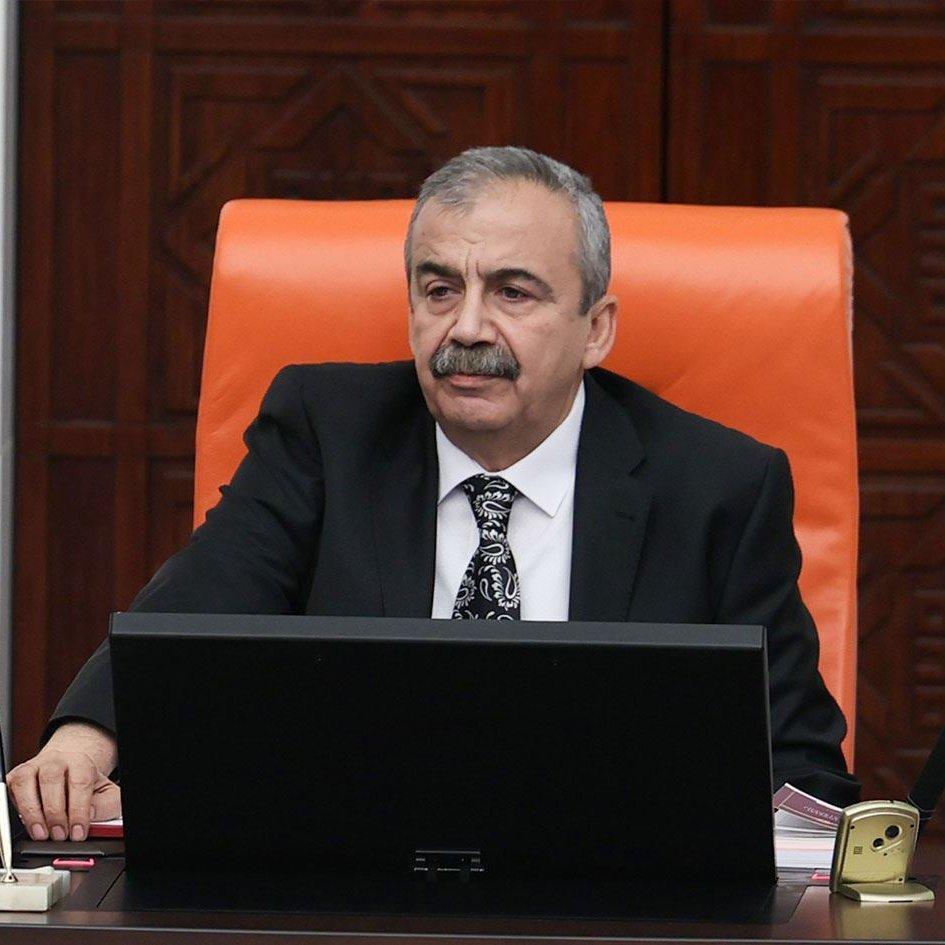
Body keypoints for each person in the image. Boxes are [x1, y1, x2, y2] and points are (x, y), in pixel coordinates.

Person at [7, 146, 860, 844]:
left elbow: (800, 772)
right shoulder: (326, 432)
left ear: (595, 329)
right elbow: (198, 606)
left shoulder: (718, 487)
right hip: (353, 892)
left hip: (613, 905)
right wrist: (89, 734)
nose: (467, 328)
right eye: (439, 288)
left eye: (513, 292)